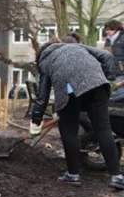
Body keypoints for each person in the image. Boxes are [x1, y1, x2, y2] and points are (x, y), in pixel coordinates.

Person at [29, 41, 124, 189]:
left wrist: (36, 120)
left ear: (40, 56)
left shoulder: (45, 61)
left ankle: (73, 174)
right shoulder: (76, 46)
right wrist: (108, 78)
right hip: (98, 86)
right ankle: (117, 176)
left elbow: (43, 95)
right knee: (103, 130)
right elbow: (106, 56)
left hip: (70, 92)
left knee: (69, 130)